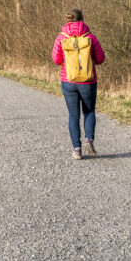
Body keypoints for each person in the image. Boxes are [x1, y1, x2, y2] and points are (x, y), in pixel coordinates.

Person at [52, 9, 105, 159]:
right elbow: (100, 59)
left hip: (68, 81)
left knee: (73, 115)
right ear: (82, 20)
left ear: (68, 20)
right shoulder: (90, 37)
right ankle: (89, 139)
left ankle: (77, 150)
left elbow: (56, 60)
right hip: (88, 81)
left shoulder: (61, 38)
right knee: (89, 111)